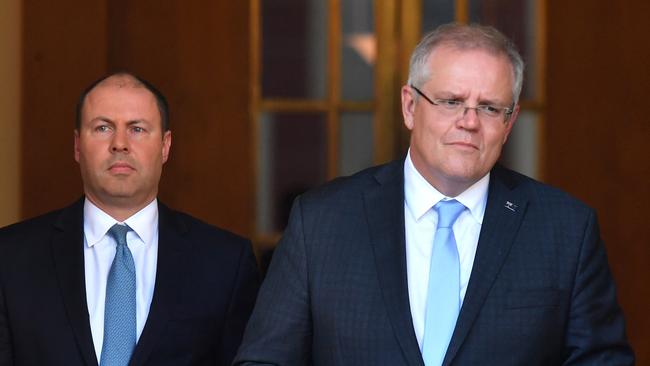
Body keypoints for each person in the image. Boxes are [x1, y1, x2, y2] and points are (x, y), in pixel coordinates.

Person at [233, 23, 634, 365]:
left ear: (509, 124)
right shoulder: (321, 223)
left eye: (491, 108)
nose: (469, 122)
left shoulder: (565, 230)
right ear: (410, 107)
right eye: (451, 101)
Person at [0, 72, 259, 366]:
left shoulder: (225, 263)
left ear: (165, 146)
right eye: (102, 128)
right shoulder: (10, 258)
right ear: (76, 145)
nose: (119, 144)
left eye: (136, 129)